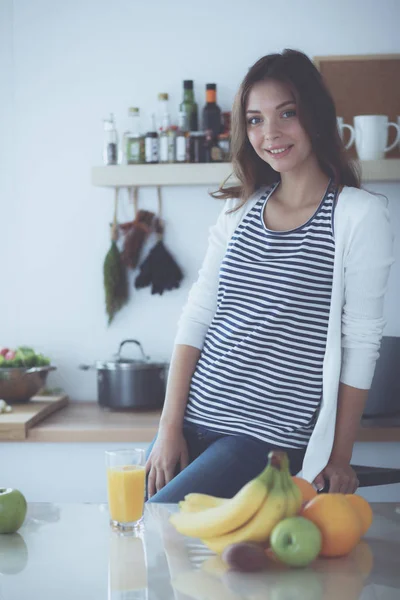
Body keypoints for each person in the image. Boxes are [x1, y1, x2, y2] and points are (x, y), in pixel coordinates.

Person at [145, 49, 394, 502]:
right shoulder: (239, 208)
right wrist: (168, 426)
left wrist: (339, 457)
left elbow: (361, 341)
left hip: (266, 441)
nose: (271, 133)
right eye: (255, 120)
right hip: (194, 415)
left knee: (166, 526)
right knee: (148, 540)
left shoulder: (358, 216)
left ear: (315, 116)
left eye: (287, 114)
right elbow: (199, 316)